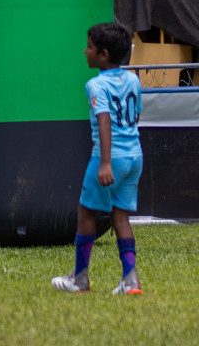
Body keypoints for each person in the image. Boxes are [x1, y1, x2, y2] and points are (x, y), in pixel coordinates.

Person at [52, 22, 144, 295]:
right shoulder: (133, 79)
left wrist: (105, 163)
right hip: (134, 155)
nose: (85, 50)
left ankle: (79, 278)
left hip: (110, 156)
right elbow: (135, 114)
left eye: (89, 47)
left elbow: (104, 121)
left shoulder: (95, 85)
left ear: (103, 54)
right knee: (120, 217)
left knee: (87, 211)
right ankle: (131, 280)